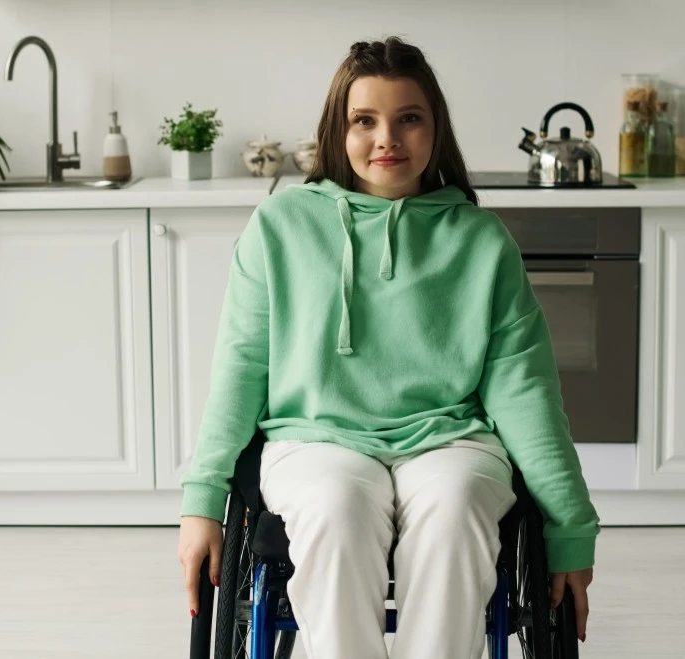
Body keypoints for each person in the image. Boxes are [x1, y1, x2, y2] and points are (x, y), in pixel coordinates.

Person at [177, 37, 597, 659]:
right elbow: (241, 368)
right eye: (364, 120)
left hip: (452, 438)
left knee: (456, 508)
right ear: (337, 130)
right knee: (337, 506)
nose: (387, 139)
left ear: (436, 129)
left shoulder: (481, 241)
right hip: (315, 438)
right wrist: (202, 502)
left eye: (409, 119)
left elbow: (526, 391)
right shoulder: (280, 227)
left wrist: (570, 527)